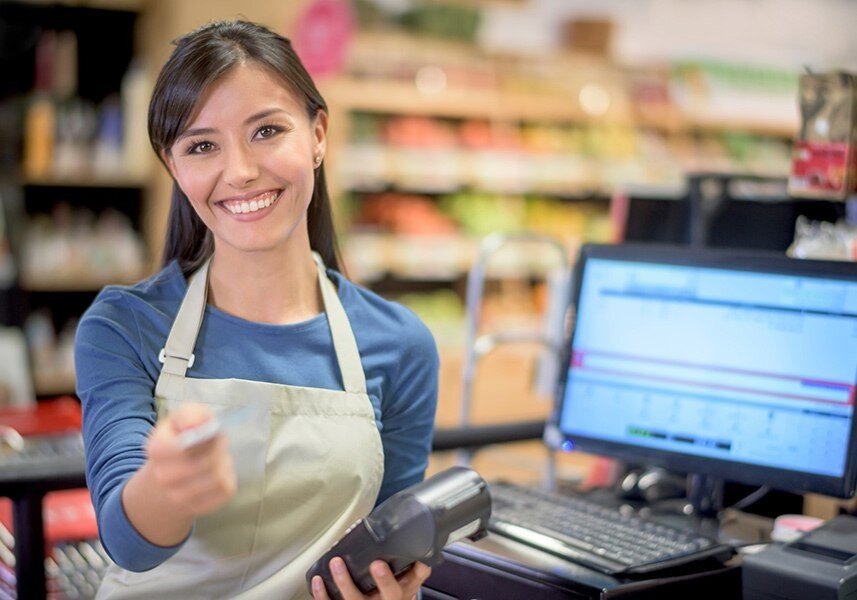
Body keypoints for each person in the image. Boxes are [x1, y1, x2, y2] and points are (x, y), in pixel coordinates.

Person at [74, 20, 439, 599]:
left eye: (267, 130)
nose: (240, 171)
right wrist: (168, 486)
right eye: (201, 146)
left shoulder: (401, 345)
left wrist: (391, 588)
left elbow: (381, 550)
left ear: (318, 134)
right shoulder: (124, 327)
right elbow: (129, 543)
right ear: (173, 167)